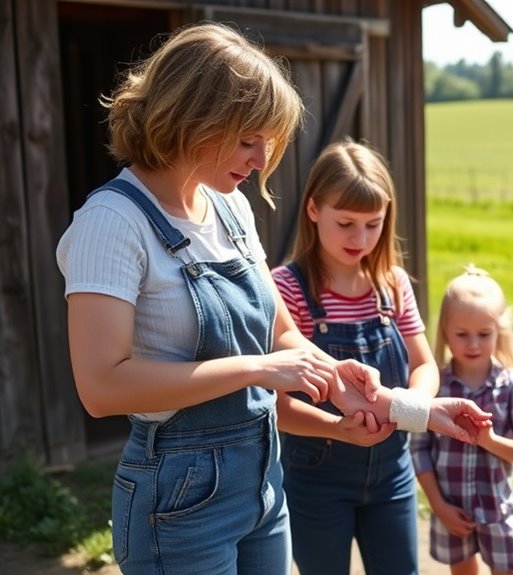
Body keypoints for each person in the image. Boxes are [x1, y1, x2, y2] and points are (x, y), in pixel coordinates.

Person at [55, 23, 485, 575]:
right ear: (191, 118)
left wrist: (404, 406)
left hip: (263, 480)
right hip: (177, 498)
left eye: (268, 142)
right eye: (247, 140)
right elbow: (101, 387)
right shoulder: (111, 223)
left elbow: (283, 337)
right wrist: (257, 369)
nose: (261, 159)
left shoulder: (230, 207)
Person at [272, 139, 481, 575]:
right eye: (346, 223)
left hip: (392, 474)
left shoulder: (392, 284)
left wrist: (413, 406)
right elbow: (277, 406)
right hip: (316, 476)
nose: (361, 238)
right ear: (313, 210)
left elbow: (423, 364)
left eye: (373, 224)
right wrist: (337, 428)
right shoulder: (287, 289)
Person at [411, 265, 513, 575]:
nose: (473, 343)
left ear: (500, 332)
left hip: (496, 510)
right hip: (450, 510)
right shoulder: (435, 386)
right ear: (445, 332)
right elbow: (418, 449)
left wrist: (490, 441)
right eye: (462, 334)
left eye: (484, 334)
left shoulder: (512, 386)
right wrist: (438, 505)